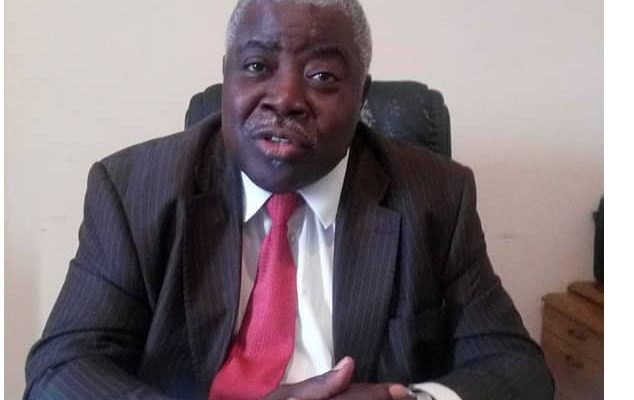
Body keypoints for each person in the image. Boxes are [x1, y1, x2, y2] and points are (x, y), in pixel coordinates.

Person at [24, 0, 554, 399]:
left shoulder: (435, 196)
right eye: (257, 66)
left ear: (362, 96)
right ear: (227, 75)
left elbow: (518, 369)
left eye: (322, 76)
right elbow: (61, 369)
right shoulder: (134, 189)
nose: (285, 98)